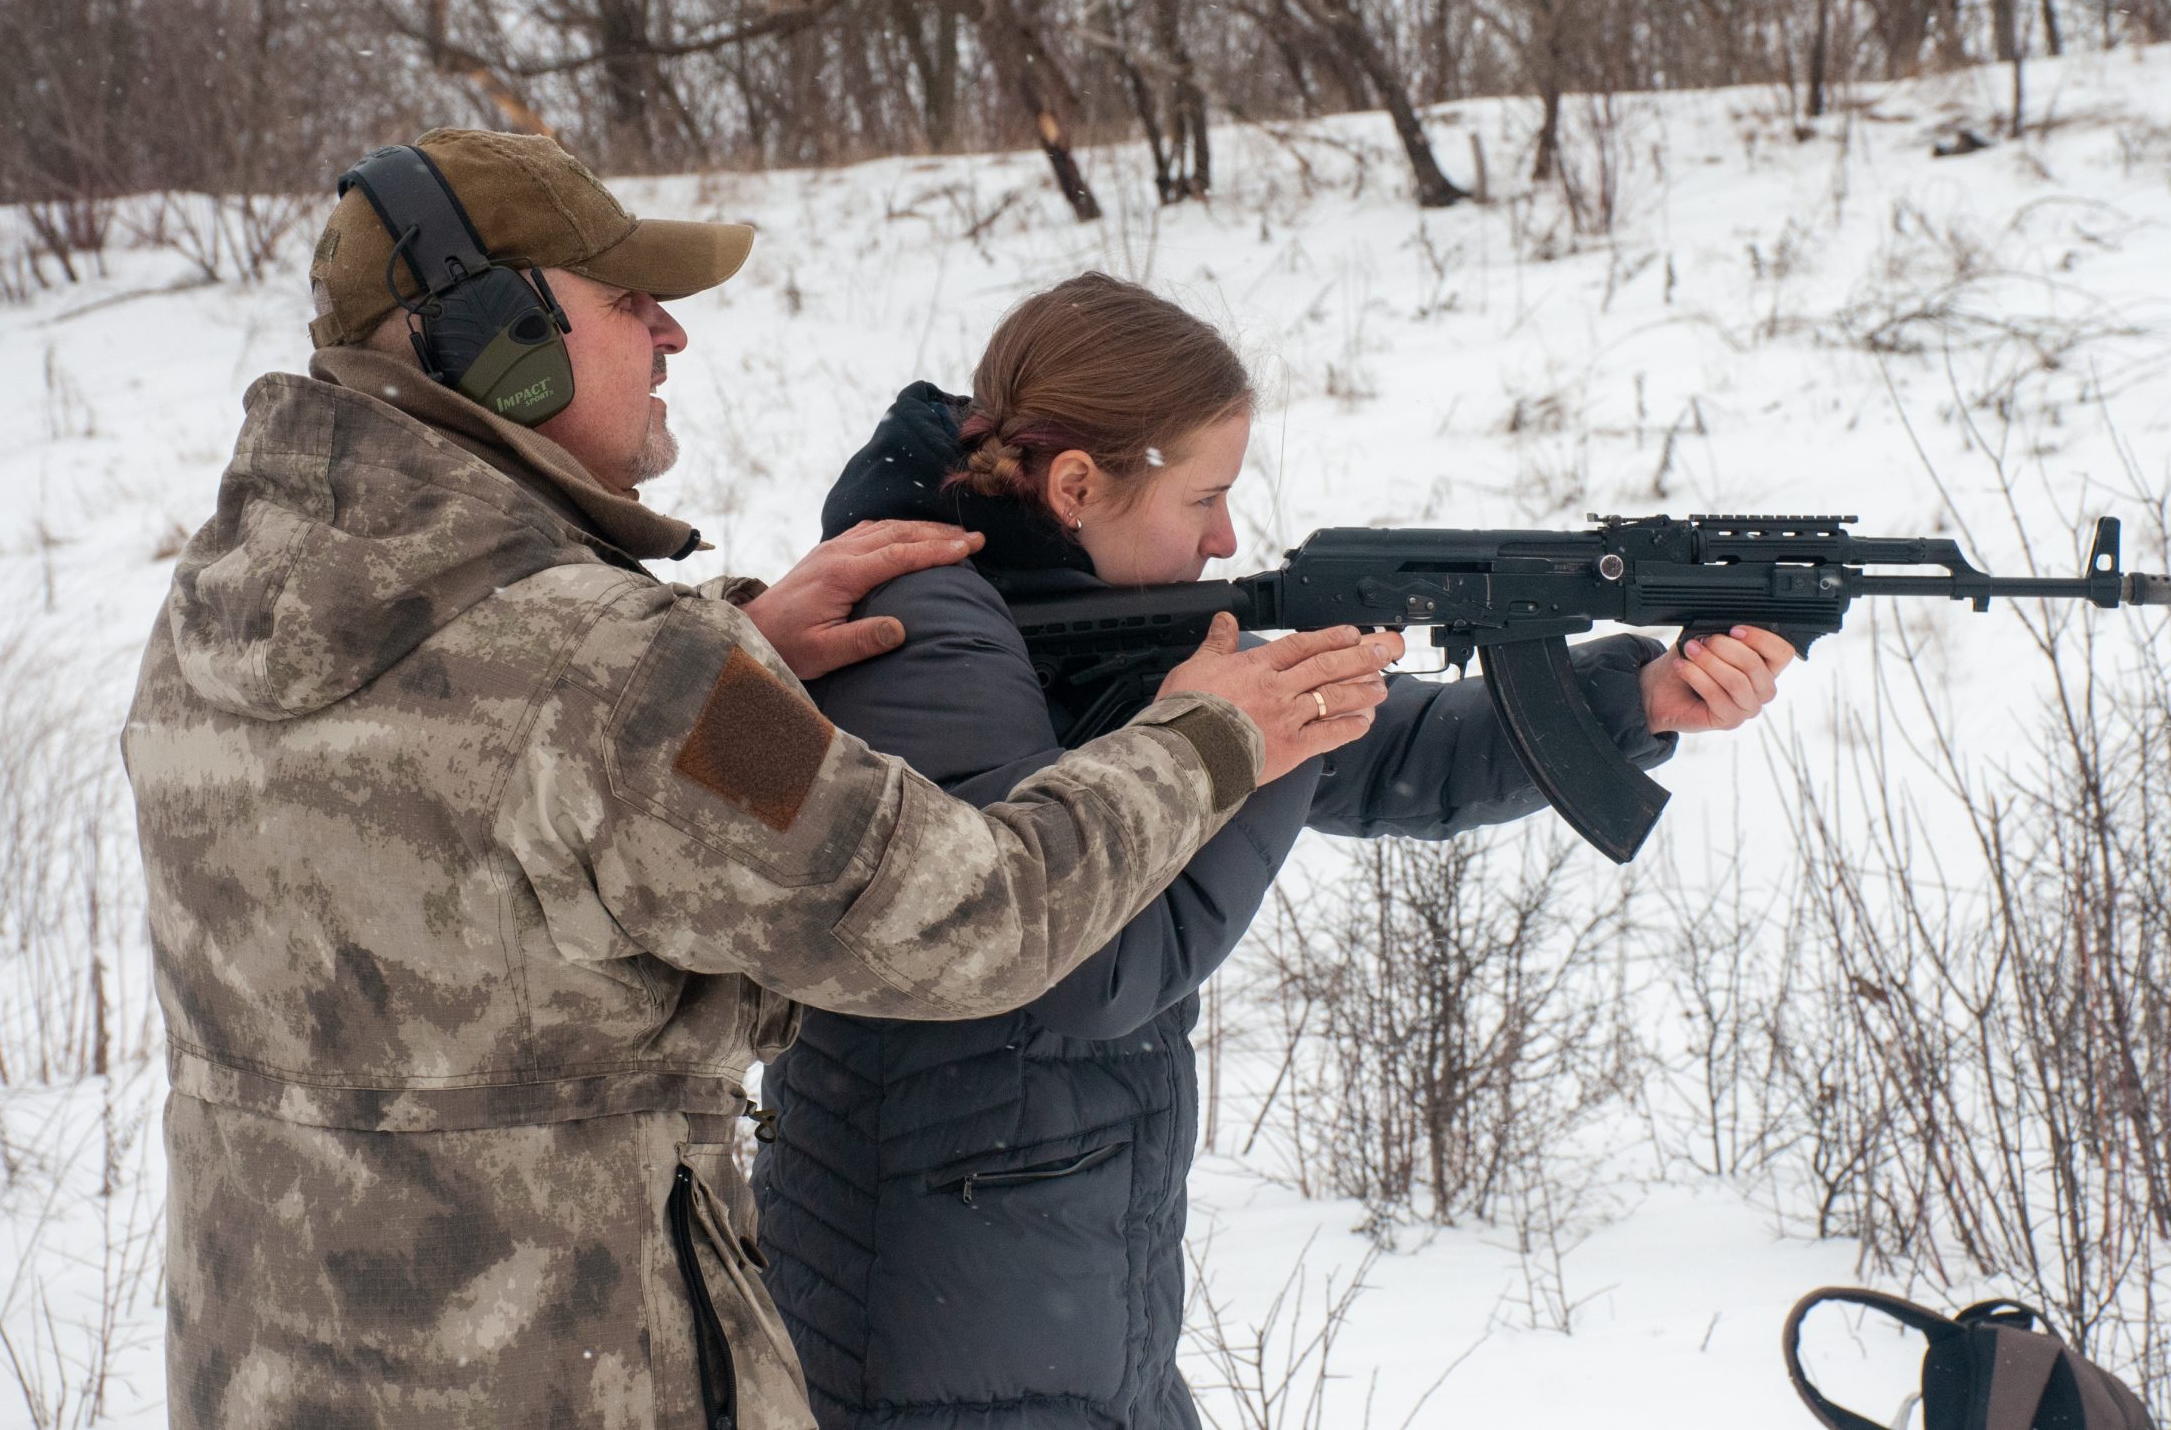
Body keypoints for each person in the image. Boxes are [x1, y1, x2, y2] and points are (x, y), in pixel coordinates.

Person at [120, 131, 1399, 1430]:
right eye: (627, 302)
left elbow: (480, 791)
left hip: (264, 1376)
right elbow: (973, 918)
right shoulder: (616, 676)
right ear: (497, 340)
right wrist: (1206, 740)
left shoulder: (224, 619)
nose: (669, 333)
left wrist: (731, 655)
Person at [752, 274, 1793, 1430]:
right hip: (929, 1340)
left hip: (1060, 1303)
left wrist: (1639, 700)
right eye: (1205, 494)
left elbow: (1392, 752)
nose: (1227, 536)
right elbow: (1075, 964)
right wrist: (1240, 731)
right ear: (1077, 484)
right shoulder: (920, 635)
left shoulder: (1094, 614)